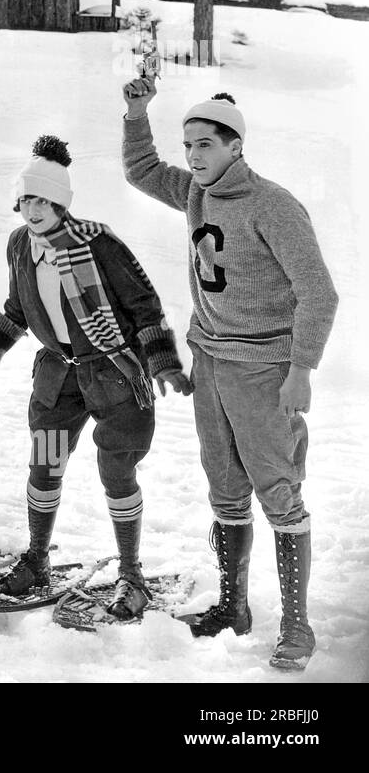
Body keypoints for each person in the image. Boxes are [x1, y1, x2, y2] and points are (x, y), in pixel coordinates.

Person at [122, 80, 338, 669]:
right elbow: (142, 171)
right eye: (188, 144)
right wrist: (137, 114)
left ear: (236, 146)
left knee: (278, 489)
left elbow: (319, 293)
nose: (193, 156)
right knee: (223, 484)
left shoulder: (273, 204)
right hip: (211, 360)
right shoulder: (194, 190)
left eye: (206, 145)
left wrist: (302, 371)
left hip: (264, 367)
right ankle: (232, 605)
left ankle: (297, 626)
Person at [0, 135, 189, 619]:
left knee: (116, 471)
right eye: (26, 199)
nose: (33, 209)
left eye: (43, 200)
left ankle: (131, 576)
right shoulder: (19, 246)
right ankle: (37, 559)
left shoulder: (99, 244)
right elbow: (17, 308)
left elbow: (144, 306)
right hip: (57, 382)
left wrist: (164, 363)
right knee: (44, 466)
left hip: (112, 378)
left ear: (62, 203)